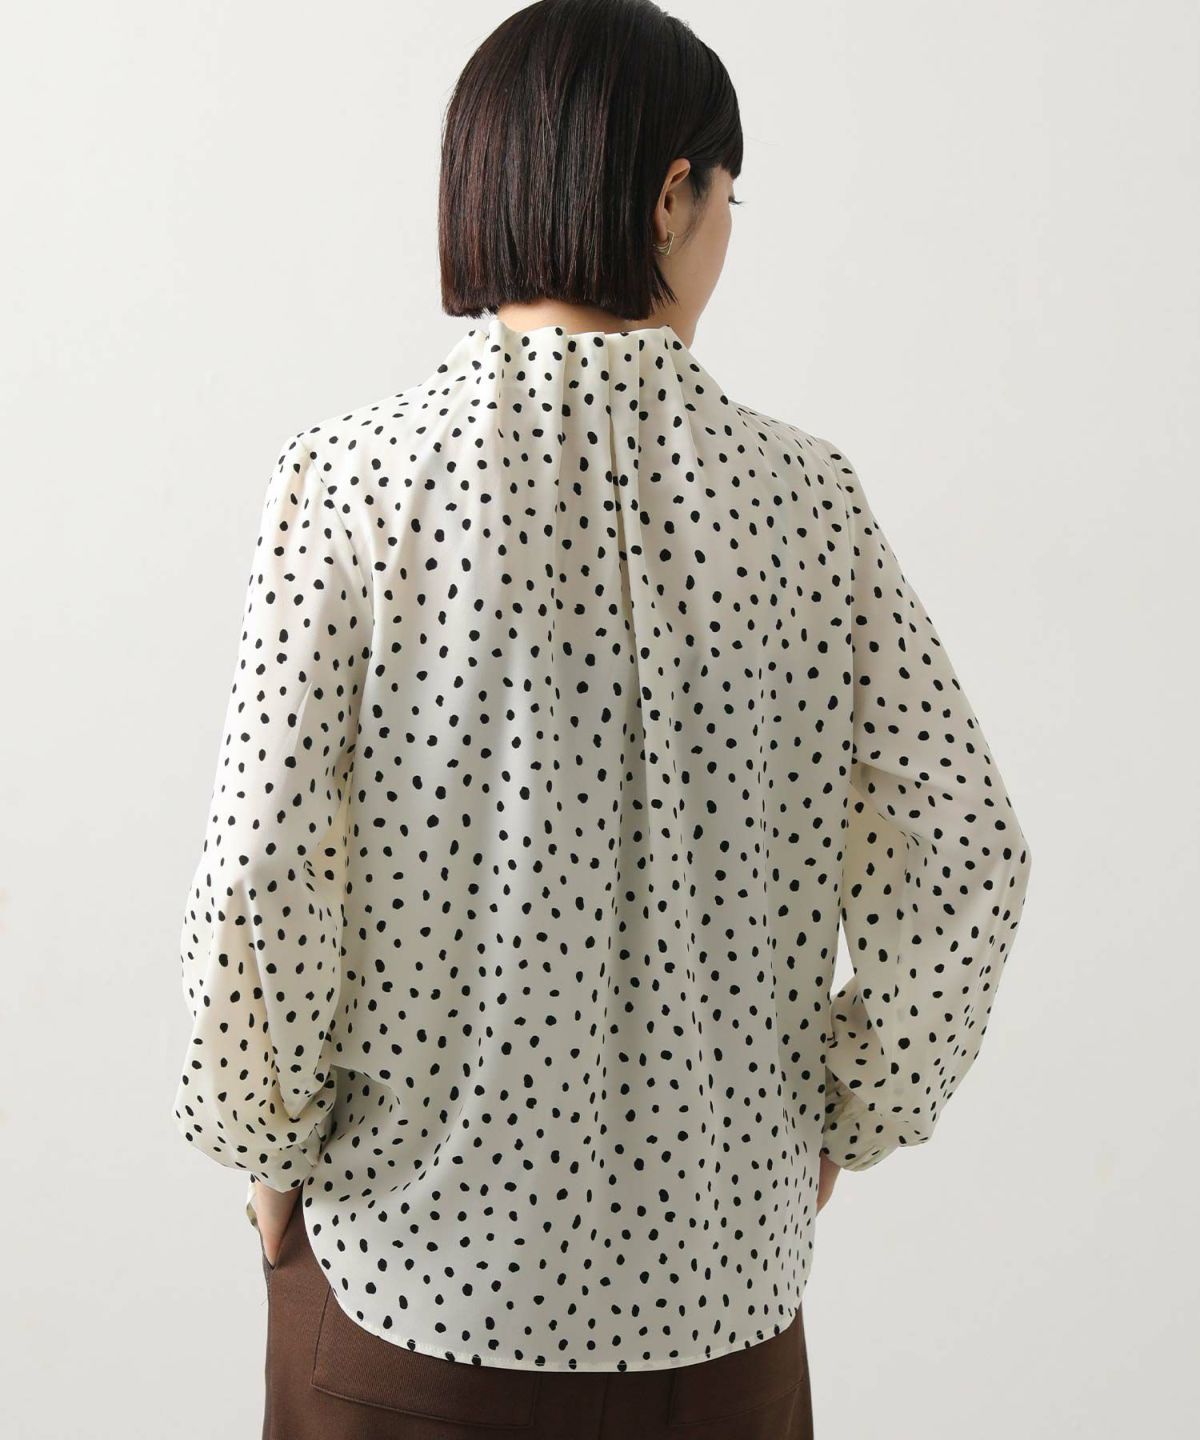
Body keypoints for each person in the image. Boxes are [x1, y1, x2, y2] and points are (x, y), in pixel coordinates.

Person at [171, 2, 1033, 1436]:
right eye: (731, 198)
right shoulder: (810, 505)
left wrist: (264, 1137)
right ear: (671, 196)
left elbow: (261, 869)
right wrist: (851, 1103)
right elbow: (965, 852)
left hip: (408, 1302)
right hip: (720, 1316)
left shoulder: (354, 483)